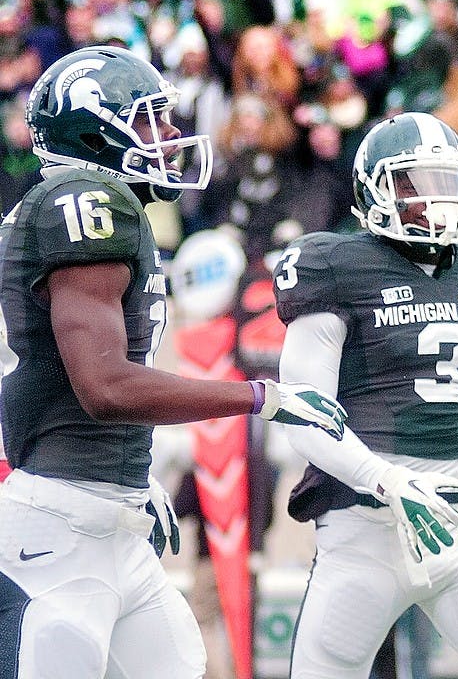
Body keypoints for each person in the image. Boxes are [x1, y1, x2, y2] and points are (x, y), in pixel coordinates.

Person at [0, 46, 419, 679]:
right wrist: (257, 397)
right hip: (57, 529)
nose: (169, 136)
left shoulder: (97, 209)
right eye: (149, 120)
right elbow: (105, 386)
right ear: (94, 131)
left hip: (101, 512)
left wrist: (132, 479)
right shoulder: (81, 202)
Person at [272, 111, 458, 679]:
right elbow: (301, 413)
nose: (435, 199)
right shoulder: (337, 265)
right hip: (367, 525)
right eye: (415, 184)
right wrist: (387, 478)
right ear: (374, 191)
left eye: (447, 182)